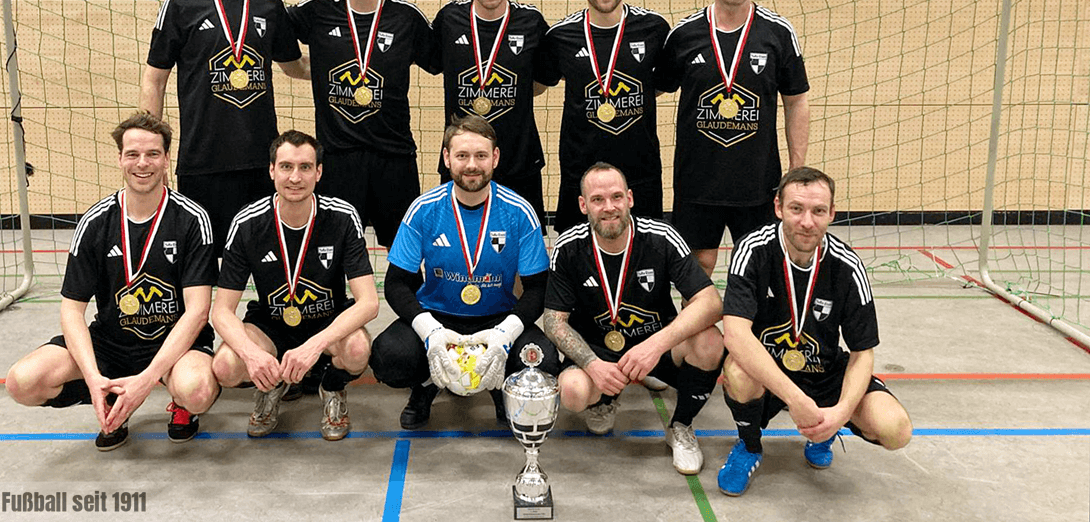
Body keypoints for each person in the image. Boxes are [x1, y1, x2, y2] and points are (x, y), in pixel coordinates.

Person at [5, 112, 218, 450]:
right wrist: (93, 380)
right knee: (23, 382)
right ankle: (109, 398)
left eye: (152, 154)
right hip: (112, 343)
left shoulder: (192, 219)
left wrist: (146, 381)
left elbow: (198, 311)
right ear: (120, 159)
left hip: (175, 346)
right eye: (132, 154)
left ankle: (180, 404)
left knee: (198, 391)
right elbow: (72, 311)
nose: (142, 163)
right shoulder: (95, 222)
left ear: (166, 160)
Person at [716, 167, 912, 496]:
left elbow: (863, 353)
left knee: (896, 429)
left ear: (831, 213)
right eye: (797, 209)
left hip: (821, 369)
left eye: (818, 211)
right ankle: (749, 447)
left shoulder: (848, 266)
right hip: (767, 368)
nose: (807, 222)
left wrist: (840, 413)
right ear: (778, 207)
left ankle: (824, 430)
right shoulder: (752, 250)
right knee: (737, 370)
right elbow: (735, 335)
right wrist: (796, 400)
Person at [369, 115, 560, 429]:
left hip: (496, 319)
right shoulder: (424, 209)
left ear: (495, 158)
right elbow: (396, 284)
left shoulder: (519, 211)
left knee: (544, 360)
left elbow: (538, 288)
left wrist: (505, 335)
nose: (472, 165)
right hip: (438, 317)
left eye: (481, 155)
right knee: (389, 356)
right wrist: (429, 331)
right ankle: (428, 383)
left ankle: (499, 384)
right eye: (462, 155)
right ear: (446, 158)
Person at [140, 0, 308, 258]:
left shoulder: (269, 6)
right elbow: (154, 81)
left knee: (265, 259)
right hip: (203, 161)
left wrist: (344, 64)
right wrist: (153, 151)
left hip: (261, 161)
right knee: (202, 264)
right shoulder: (181, 5)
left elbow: (294, 66)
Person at [540, 163, 724, 475]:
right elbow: (553, 321)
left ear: (630, 199)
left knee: (710, 340)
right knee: (572, 392)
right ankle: (604, 398)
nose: (609, 207)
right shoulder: (570, 247)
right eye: (597, 200)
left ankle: (680, 425)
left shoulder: (661, 237)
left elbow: (711, 302)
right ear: (584, 205)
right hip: (599, 350)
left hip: (657, 345)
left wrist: (654, 346)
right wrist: (591, 364)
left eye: (616, 197)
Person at [656, 0, 810, 277]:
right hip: (697, 180)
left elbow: (796, 100)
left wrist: (797, 170)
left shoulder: (778, 33)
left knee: (759, 269)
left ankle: (750, 332)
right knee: (699, 268)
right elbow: (653, 89)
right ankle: (699, 332)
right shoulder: (684, 34)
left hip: (758, 182)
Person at [209, 130, 378, 441]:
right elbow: (221, 311)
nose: (295, 177)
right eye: (286, 166)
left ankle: (332, 386)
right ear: (272, 170)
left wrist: (314, 346)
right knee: (225, 367)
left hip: (327, 324)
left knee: (356, 350)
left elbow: (368, 302)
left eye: (304, 167)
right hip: (271, 326)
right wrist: (251, 355)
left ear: (319, 172)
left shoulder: (342, 217)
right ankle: (271, 384)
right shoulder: (247, 223)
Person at [287, 0, 434, 247]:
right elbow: (266, 21)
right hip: (339, 158)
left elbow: (445, 58)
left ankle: (408, 299)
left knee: (405, 255)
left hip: (394, 157)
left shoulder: (407, 18)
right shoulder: (317, 12)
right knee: (333, 253)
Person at [537, 0, 670, 233]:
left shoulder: (655, 28)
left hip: (641, 171)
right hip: (580, 171)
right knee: (577, 259)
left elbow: (659, 85)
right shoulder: (561, 36)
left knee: (645, 255)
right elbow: (538, 84)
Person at [428, 0, 550, 229]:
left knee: (523, 252)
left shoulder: (531, 22)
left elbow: (542, 81)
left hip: (519, 160)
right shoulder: (449, 20)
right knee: (456, 242)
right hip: (462, 163)